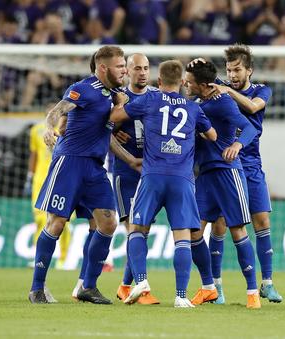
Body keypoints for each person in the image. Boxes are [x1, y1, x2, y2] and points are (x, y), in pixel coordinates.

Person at [110, 60, 217, 308]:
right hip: (182, 178)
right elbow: (212, 136)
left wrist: (121, 103)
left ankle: (142, 282)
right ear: (182, 83)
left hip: (152, 175)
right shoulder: (193, 108)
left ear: (158, 82)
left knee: (137, 229)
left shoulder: (149, 100)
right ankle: (181, 296)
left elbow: (115, 117)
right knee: (182, 237)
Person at [28, 45, 127, 304]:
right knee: (57, 223)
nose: (124, 70)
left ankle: (87, 286)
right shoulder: (83, 89)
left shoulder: (116, 96)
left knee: (107, 223)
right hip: (70, 163)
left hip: (95, 167)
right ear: (103, 67)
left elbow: (105, 133)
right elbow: (57, 111)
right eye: (120, 65)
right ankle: (37, 288)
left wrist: (128, 156)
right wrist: (50, 129)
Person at [209, 43, 283, 303]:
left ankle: (267, 283)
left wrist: (227, 90)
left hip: (250, 164)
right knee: (219, 225)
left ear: (249, 70)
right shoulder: (219, 89)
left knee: (262, 222)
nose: (232, 75)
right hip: (223, 165)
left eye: (237, 70)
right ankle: (216, 288)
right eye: (229, 70)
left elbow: (253, 108)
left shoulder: (262, 90)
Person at [184, 60, 260, 309]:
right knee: (195, 232)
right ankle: (209, 288)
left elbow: (248, 127)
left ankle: (252, 293)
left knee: (237, 231)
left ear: (203, 85)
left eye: (190, 80)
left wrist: (237, 145)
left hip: (228, 174)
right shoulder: (196, 106)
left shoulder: (223, 102)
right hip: (205, 176)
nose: (186, 83)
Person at [113, 53, 159, 305]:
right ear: (127, 72)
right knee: (134, 229)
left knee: (143, 231)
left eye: (146, 68)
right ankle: (141, 285)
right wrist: (113, 134)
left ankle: (125, 286)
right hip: (126, 173)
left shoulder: (156, 96)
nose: (142, 72)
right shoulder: (119, 98)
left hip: (151, 173)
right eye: (137, 68)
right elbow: (103, 129)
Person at [25, 108, 71, 270]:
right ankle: (39, 257)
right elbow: (34, 154)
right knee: (39, 218)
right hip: (39, 179)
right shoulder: (36, 130)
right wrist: (30, 177)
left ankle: (64, 258)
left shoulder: (66, 127)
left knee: (61, 219)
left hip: (60, 176)